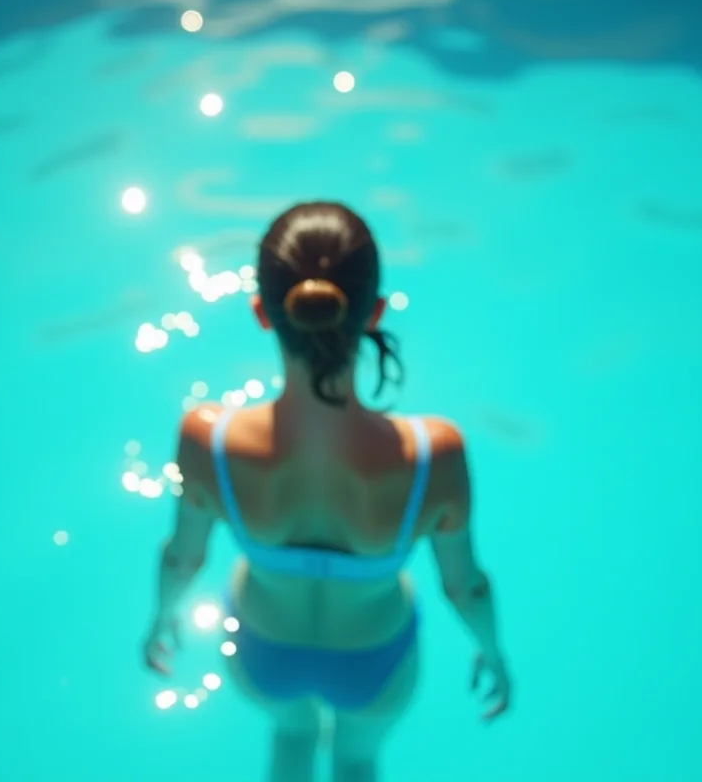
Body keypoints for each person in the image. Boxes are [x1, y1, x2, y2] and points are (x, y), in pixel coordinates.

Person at [142, 202, 511, 782]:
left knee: (291, 737)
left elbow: (182, 558)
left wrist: (162, 618)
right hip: (373, 661)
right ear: (374, 313)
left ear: (263, 313)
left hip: (263, 651)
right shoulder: (432, 457)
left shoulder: (207, 440)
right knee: (357, 759)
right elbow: (466, 587)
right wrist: (492, 651)